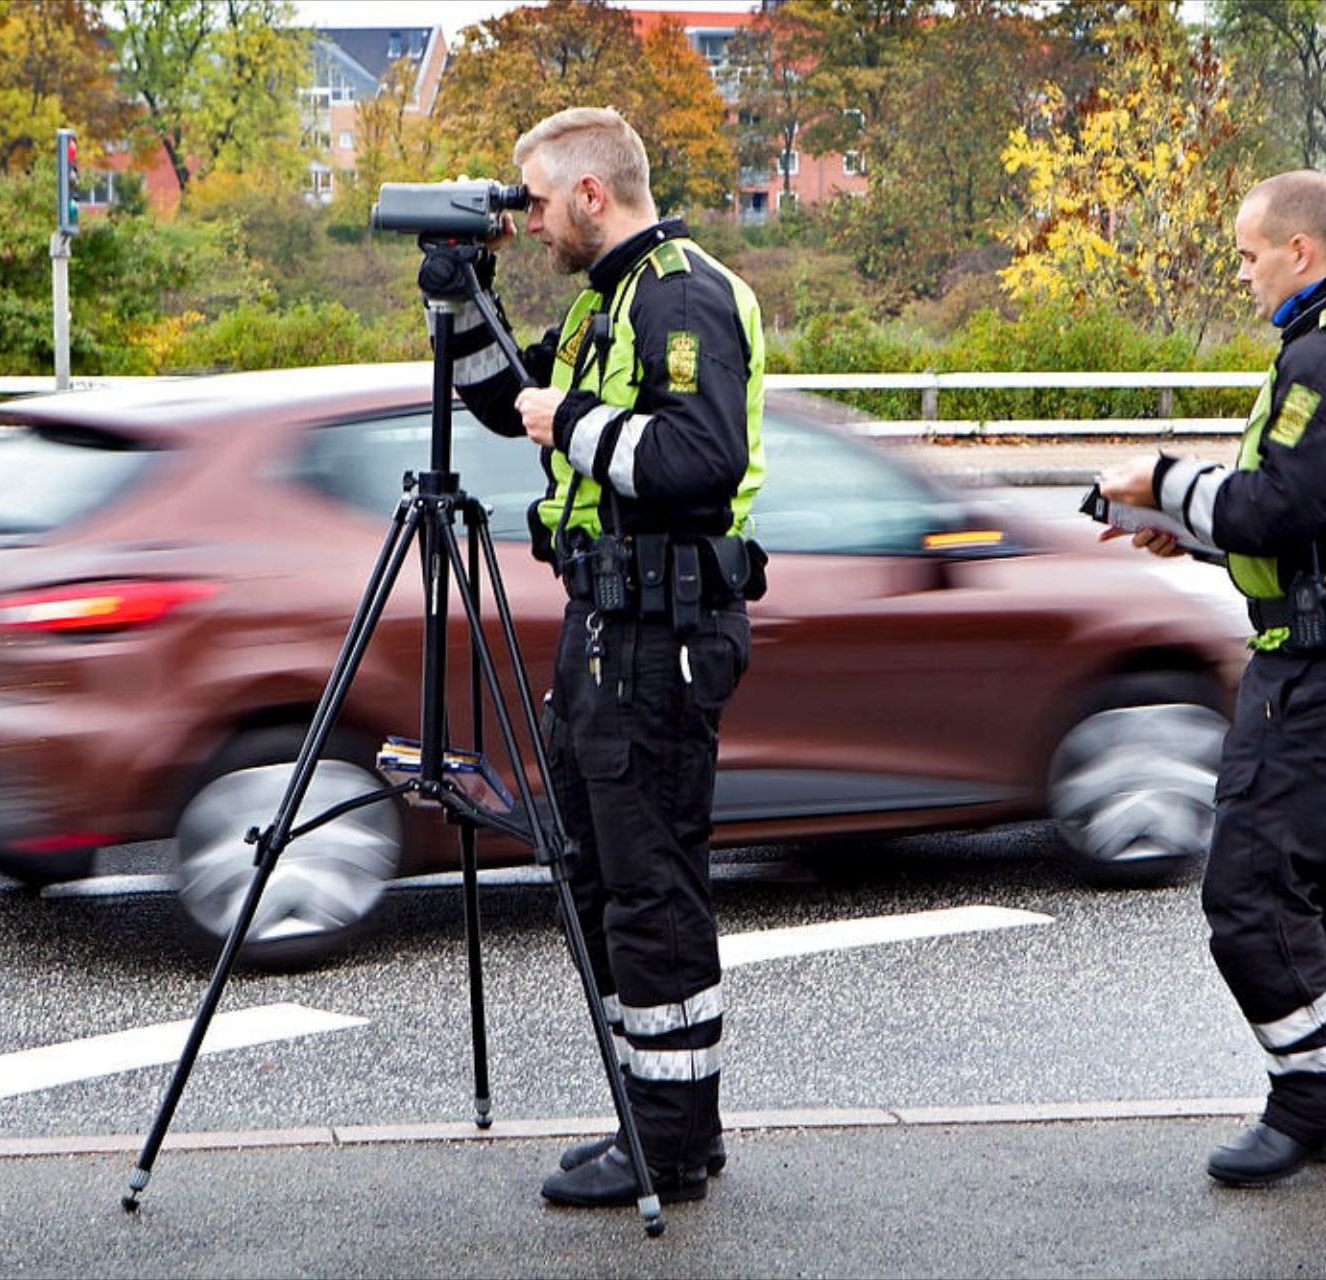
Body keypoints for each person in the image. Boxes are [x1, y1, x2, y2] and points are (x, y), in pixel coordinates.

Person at [1097, 169, 1326, 1187]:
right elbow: (1325, 523)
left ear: (1302, 251)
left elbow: (1277, 507)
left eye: (1249, 254)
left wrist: (1162, 484)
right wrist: (1195, 538)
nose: (1241, 273)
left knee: (1250, 888)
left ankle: (1311, 1099)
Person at [447, 106, 766, 1208]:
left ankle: (669, 1146)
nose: (528, 222)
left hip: (660, 635)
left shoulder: (682, 294)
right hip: (606, 625)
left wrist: (569, 419)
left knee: (649, 887)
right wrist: (459, 298)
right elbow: (507, 406)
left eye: (534, 201)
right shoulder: (605, 302)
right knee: (601, 879)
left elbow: (698, 455)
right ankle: (662, 1115)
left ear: (592, 193)